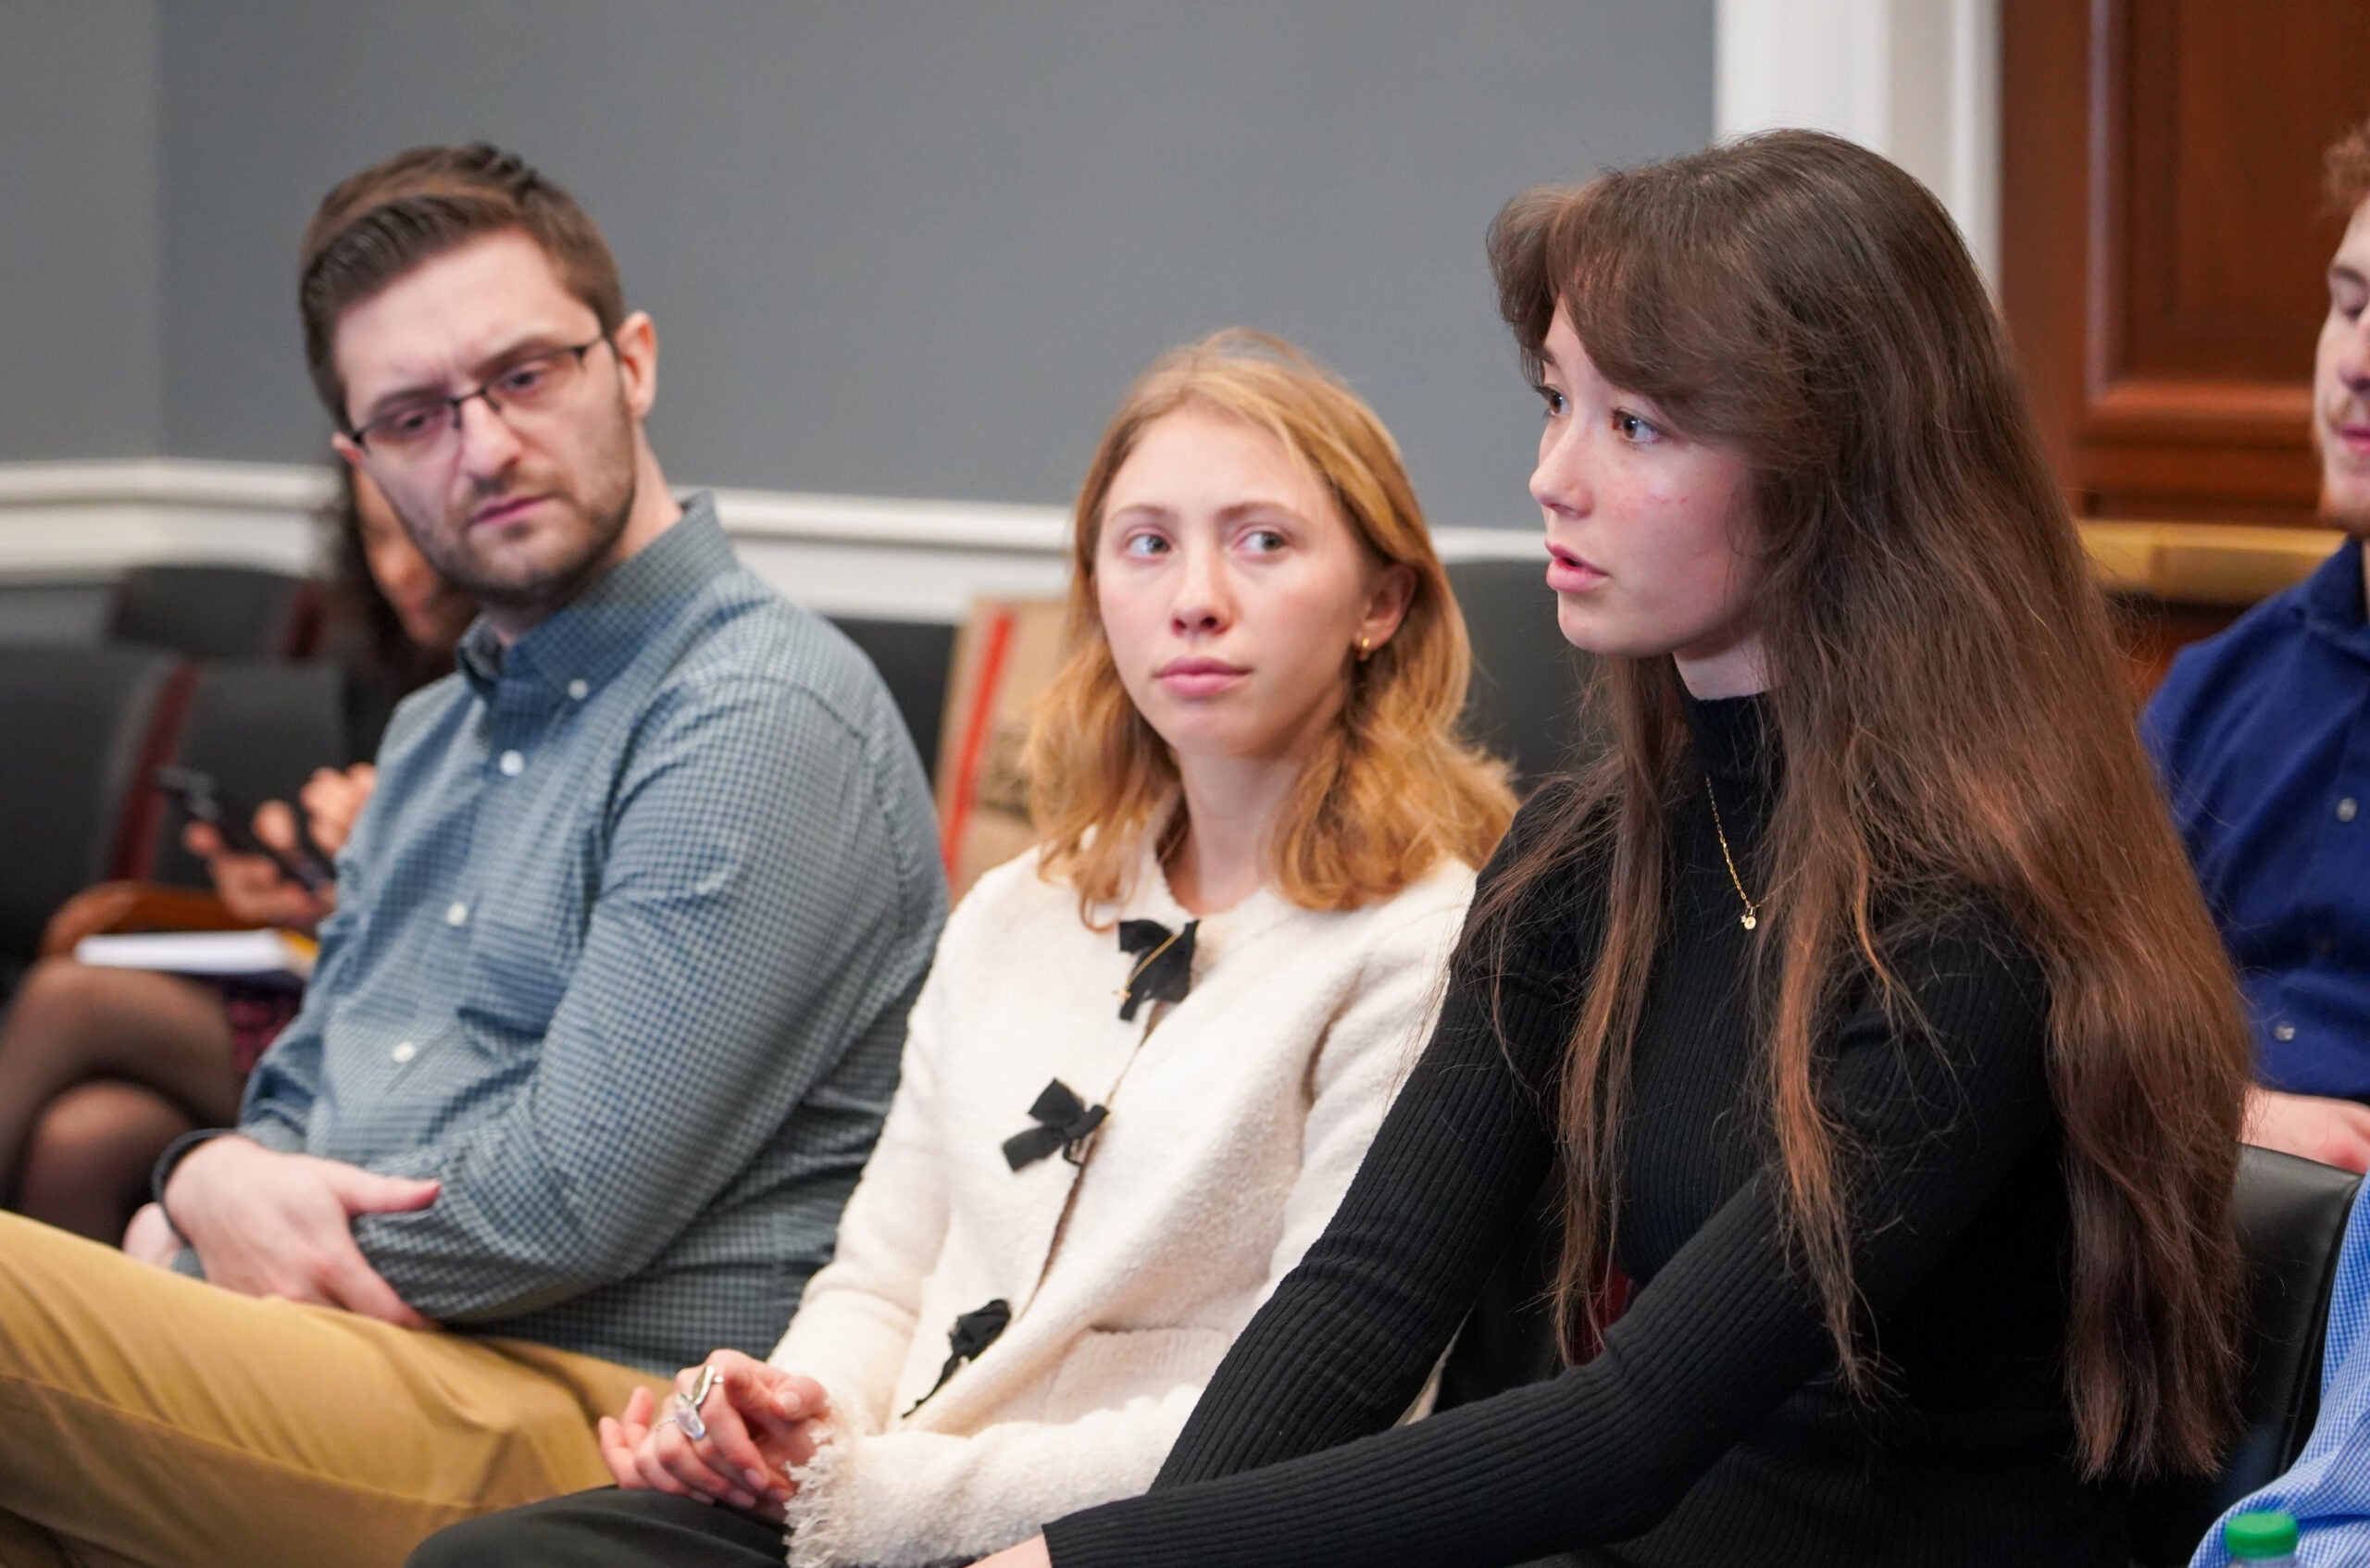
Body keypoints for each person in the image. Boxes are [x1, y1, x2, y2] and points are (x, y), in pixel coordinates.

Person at [977, 130, 2252, 1568]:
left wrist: (1089, 1562)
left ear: (1834, 468)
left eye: (1635, 425)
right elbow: (1366, 1297)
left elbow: (1633, 1427)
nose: (1552, 476)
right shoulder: (1587, 855)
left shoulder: (1970, 913)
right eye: (1555, 402)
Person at [405, 330, 1520, 1568]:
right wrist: (782, 1421)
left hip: (1133, 1543)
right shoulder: (1014, 908)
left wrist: (867, 1492)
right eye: (1147, 543)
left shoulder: (1418, 945)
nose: (1196, 596)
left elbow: (1324, 1405)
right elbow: (880, 1281)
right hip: (878, 1502)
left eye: (1263, 541)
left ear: (1381, 602)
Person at [0, 143, 944, 1568]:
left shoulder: (753, 711)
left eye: (523, 375)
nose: (484, 446)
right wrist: (203, 1170)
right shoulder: (436, 730)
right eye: (415, 416)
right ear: (364, 465)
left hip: (602, 1413)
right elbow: (299, 1088)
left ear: (631, 363)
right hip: (360, 1360)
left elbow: (560, 1208)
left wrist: (188, 1236)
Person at [0, 465, 472, 1245]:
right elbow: (359, 922)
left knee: (67, 996)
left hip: (405, 1039)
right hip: (328, 995)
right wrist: (311, 894)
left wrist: (394, 856)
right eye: (375, 540)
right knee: (80, 1140)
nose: (398, 572)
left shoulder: (527, 690)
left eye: (420, 541)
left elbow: (486, 932)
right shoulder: (382, 676)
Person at [2144, 115, 2370, 1174]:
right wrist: (2233, 1117)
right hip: (2188, 1200)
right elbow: (2068, 1006)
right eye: (2350, 306)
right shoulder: (2214, 690)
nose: (2356, 362)